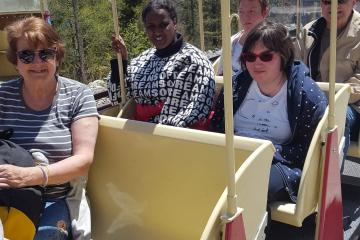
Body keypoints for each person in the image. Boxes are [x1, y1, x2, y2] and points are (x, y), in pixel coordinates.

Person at [0, 17, 99, 239]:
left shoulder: (78, 95)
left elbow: (83, 160)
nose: (37, 62)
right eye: (27, 55)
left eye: (46, 53)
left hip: (56, 198)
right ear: (15, 62)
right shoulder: (2, 96)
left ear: (57, 57)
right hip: (7, 198)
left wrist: (28, 176)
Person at [210, 21, 327, 203]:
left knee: (249, 184)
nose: (257, 63)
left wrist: (264, 150)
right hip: (235, 156)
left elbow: (306, 152)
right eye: (250, 56)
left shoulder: (306, 96)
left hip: (279, 164)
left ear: (283, 56)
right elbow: (216, 131)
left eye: (266, 56)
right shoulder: (235, 87)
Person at [108, 0, 215, 128]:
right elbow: (117, 97)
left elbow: (193, 111)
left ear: (174, 23)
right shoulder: (141, 60)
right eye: (151, 27)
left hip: (173, 136)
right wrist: (123, 61)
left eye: (163, 25)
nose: (157, 31)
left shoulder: (194, 60)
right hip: (140, 132)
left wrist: (150, 133)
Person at [295, 0, 360, 156]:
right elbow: (296, 70)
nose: (333, 6)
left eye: (341, 1)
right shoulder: (308, 32)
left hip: (350, 105)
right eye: (326, 2)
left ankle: (330, 177)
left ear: (354, 2)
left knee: (335, 118)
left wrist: (331, 101)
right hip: (311, 102)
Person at [216, 0, 269, 76]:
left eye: (251, 11)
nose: (245, 17)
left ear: (264, 12)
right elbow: (220, 77)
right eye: (241, 12)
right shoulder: (231, 42)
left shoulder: (273, 44)